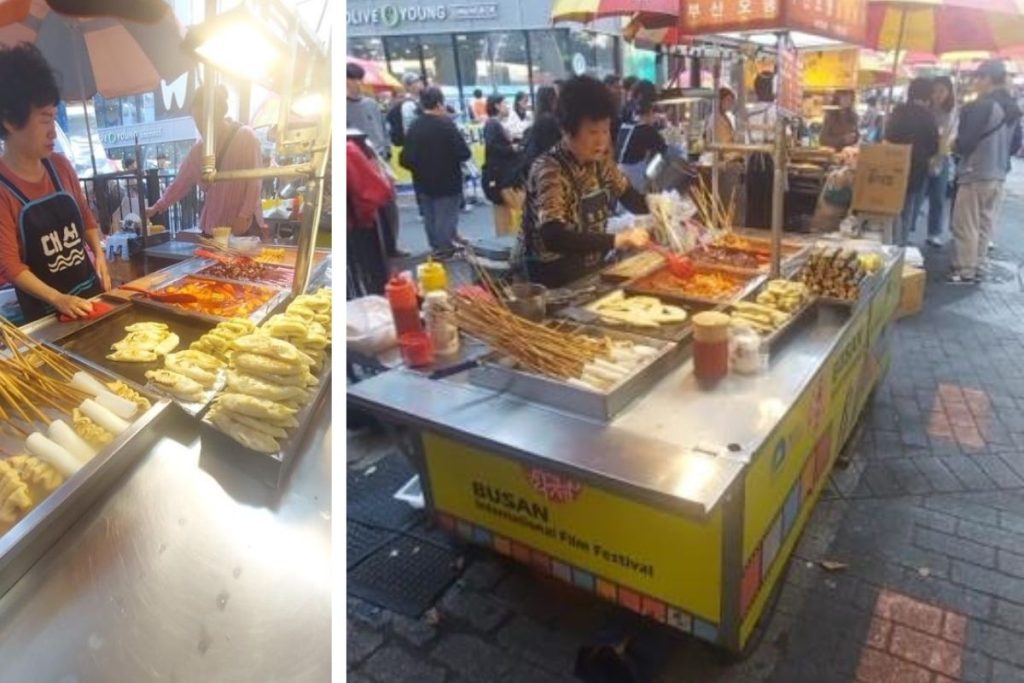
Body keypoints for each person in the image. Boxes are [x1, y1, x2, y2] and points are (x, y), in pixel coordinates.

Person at [0, 43, 110, 322]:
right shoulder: (3, 189)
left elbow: (87, 219)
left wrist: (99, 255)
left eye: (54, 115)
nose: (53, 131)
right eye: (45, 118)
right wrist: (57, 299)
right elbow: (11, 266)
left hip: (90, 295)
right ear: (11, 121)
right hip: (48, 315)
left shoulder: (60, 166)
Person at [519, 75, 653, 288]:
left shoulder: (601, 164)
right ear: (567, 130)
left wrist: (663, 207)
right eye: (592, 131)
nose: (601, 140)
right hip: (553, 282)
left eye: (605, 130)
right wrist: (616, 239)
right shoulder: (549, 169)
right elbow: (553, 236)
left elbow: (631, 198)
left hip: (589, 274)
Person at [146, 84, 266, 239]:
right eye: (197, 121)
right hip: (212, 227)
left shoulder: (246, 137)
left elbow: (255, 180)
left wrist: (244, 215)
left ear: (220, 113)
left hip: (242, 227)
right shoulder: (198, 150)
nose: (201, 126)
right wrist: (156, 207)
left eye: (204, 120)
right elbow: (180, 183)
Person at [949, 60, 1023, 284]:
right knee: (985, 223)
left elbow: (966, 142)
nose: (975, 83)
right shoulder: (1012, 107)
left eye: (978, 78)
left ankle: (965, 269)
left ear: (988, 79)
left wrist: (954, 144)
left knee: (966, 223)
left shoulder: (982, 106)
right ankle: (978, 265)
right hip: (999, 175)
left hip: (975, 172)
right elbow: (1015, 144)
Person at [399, 87, 472, 257]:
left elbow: (405, 159)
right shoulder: (447, 125)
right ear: (440, 103)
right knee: (446, 216)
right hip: (448, 180)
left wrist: (421, 168)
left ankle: (436, 246)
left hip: (422, 181)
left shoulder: (414, 127)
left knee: (430, 216)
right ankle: (446, 249)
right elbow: (464, 153)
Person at [884, 77, 939, 246]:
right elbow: (934, 146)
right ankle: (900, 245)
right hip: (917, 169)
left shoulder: (899, 111)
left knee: (889, 207)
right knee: (907, 209)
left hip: (893, 163)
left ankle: (886, 241)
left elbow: (888, 136)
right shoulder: (929, 117)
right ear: (927, 95)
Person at [482, 95, 525, 236]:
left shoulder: (493, 124)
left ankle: (504, 243)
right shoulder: (493, 125)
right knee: (523, 208)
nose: (507, 106)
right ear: (497, 106)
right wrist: (511, 149)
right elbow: (493, 147)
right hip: (504, 177)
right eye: (504, 103)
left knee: (502, 216)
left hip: (499, 177)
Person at [615, 83, 666, 192]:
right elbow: (664, 151)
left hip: (619, 174)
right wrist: (651, 177)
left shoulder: (626, 122)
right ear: (652, 110)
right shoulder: (646, 130)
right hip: (633, 180)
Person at [924, 76, 957, 248]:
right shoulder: (925, 110)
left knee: (938, 197)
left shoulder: (951, 112)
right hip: (923, 156)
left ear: (949, 93)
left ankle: (934, 232)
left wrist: (938, 158)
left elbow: (948, 138)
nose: (937, 95)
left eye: (942, 91)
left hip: (942, 158)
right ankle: (908, 227)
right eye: (935, 91)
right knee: (917, 195)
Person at [346, 62, 390, 160]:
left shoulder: (372, 103)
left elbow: (383, 127)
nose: (358, 82)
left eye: (360, 79)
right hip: (360, 158)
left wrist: (387, 149)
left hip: (381, 155)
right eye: (353, 79)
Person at [520, 86, 561, 174]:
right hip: (545, 167)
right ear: (551, 100)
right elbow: (551, 147)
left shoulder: (540, 118)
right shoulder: (548, 120)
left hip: (535, 164)